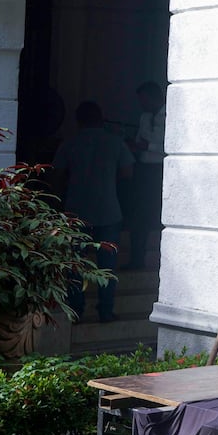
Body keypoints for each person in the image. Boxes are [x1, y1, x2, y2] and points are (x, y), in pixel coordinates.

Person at [50, 101, 134, 322]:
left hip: (76, 212)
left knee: (75, 266)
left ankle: (76, 310)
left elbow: (56, 175)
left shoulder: (70, 143)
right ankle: (105, 311)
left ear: (78, 121)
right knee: (107, 267)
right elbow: (127, 172)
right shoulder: (115, 142)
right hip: (109, 211)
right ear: (101, 118)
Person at [126, 81, 165, 269]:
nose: (142, 103)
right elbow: (138, 140)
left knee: (157, 215)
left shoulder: (169, 114)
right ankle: (136, 260)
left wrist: (147, 146)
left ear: (154, 97)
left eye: (144, 99)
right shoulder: (144, 116)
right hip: (143, 167)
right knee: (139, 215)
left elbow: (169, 146)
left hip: (160, 170)